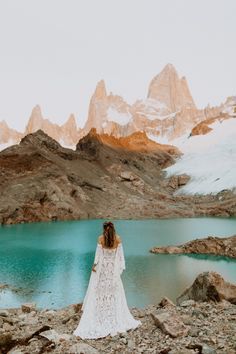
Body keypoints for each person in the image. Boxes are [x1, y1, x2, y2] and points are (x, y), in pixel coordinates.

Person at [73, 221, 141, 339]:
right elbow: (120, 257)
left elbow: (98, 256)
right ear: (113, 228)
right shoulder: (118, 239)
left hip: (103, 270)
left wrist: (94, 266)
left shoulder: (100, 238)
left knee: (100, 292)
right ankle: (113, 316)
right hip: (112, 271)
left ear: (104, 229)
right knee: (113, 292)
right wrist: (118, 270)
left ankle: (100, 316)